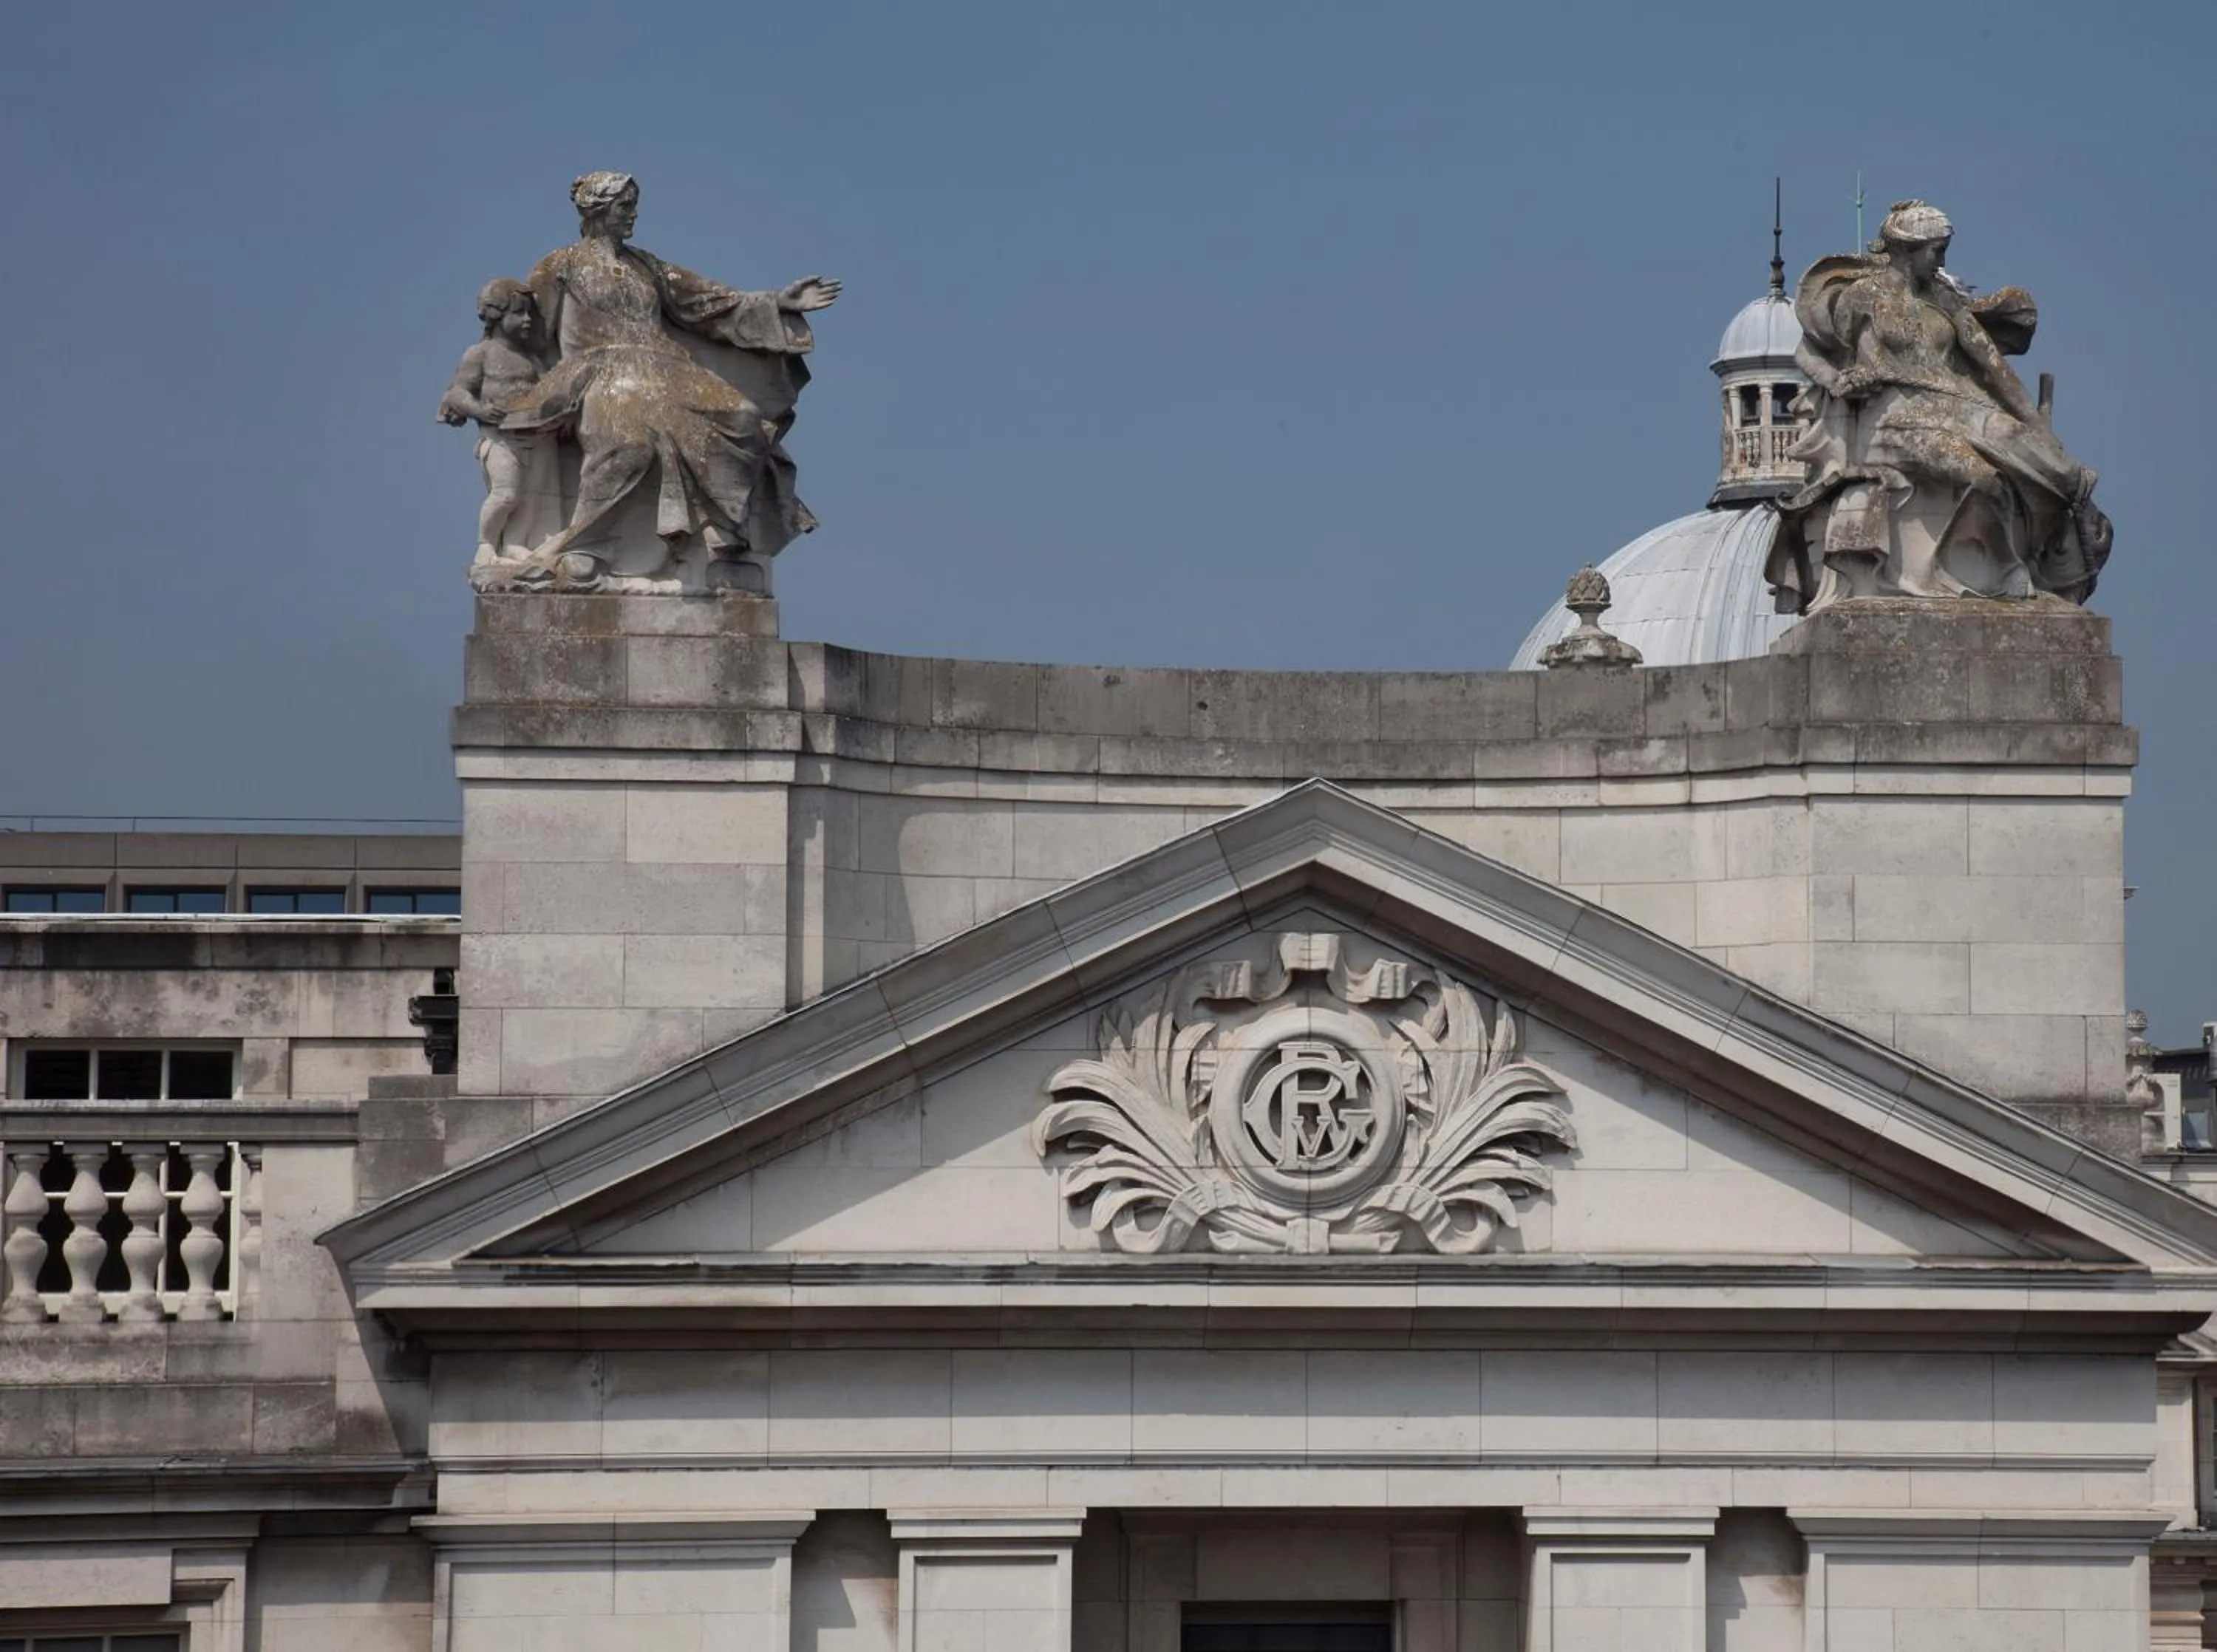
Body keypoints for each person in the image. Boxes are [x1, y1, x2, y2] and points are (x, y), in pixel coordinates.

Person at [492, 171, 841, 590]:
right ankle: (585, 545)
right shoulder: (560, 265)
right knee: (629, 439)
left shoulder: (647, 266)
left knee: (743, 417)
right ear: (599, 211)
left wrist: (777, 302)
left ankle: (723, 530)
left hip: (665, 368)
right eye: (625, 206)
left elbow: (708, 303)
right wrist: (513, 387)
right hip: (598, 372)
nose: (633, 215)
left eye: (633, 205)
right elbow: (531, 336)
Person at [1769, 200, 2111, 610]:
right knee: (1986, 478)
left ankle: (2052, 556)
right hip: (1898, 418)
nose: (1942, 260)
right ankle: (2005, 569)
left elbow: (1991, 364)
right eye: (1937, 250)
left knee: (2047, 460)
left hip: (1958, 405)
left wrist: (2035, 425)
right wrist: (1857, 380)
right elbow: (1863, 362)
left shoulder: (1943, 297)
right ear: (1906, 249)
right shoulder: (1864, 297)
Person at [437, 279, 558, 565]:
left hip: (533, 437)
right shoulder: (481, 353)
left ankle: (515, 543)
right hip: (498, 438)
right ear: (497, 316)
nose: (527, 320)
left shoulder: (532, 359)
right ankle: (486, 545)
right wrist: (478, 410)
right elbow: (456, 392)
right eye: (519, 313)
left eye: (529, 313)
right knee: (506, 494)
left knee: (530, 498)